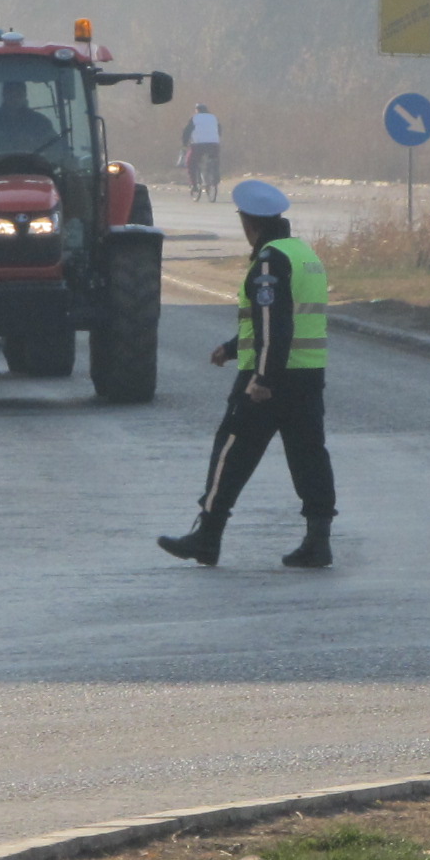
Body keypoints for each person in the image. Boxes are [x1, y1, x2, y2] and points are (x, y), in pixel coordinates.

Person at [157, 178, 335, 570]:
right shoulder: (304, 253)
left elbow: (276, 326)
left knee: (231, 452)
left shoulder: (270, 261)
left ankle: (207, 536)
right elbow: (279, 321)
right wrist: (233, 346)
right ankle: (318, 541)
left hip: (271, 378)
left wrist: (263, 380)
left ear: (249, 223)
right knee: (309, 457)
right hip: (307, 377)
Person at [0, 78, 63, 165]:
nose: (14, 98)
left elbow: (56, 152)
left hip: (36, 174)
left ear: (24, 95)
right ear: (4, 95)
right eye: (10, 93)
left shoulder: (41, 123)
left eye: (18, 94)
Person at [180, 102, 222, 201]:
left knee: (190, 162)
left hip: (198, 145)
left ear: (197, 110)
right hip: (213, 144)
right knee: (214, 159)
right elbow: (219, 130)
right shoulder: (214, 118)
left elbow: (187, 132)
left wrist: (184, 144)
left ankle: (194, 185)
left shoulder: (194, 118)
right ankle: (214, 178)